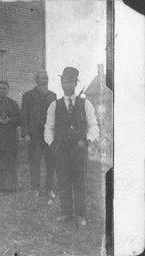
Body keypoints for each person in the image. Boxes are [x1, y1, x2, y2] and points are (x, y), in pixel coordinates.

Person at [44, 67, 99, 227]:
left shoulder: (85, 103)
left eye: (69, 81)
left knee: (79, 181)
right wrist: (52, 143)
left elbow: (93, 125)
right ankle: (66, 212)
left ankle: (80, 214)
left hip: (79, 150)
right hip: (61, 149)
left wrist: (87, 140)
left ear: (75, 83)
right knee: (63, 180)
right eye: (63, 81)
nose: (65, 84)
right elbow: (49, 127)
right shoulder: (55, 105)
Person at [20, 71, 57, 197]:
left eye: (47, 78)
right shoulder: (28, 96)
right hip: (34, 134)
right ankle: (35, 188)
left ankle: (49, 189)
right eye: (42, 78)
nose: (45, 80)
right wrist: (25, 134)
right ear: (36, 80)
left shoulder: (53, 95)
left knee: (51, 162)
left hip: (49, 135)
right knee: (34, 162)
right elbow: (24, 116)